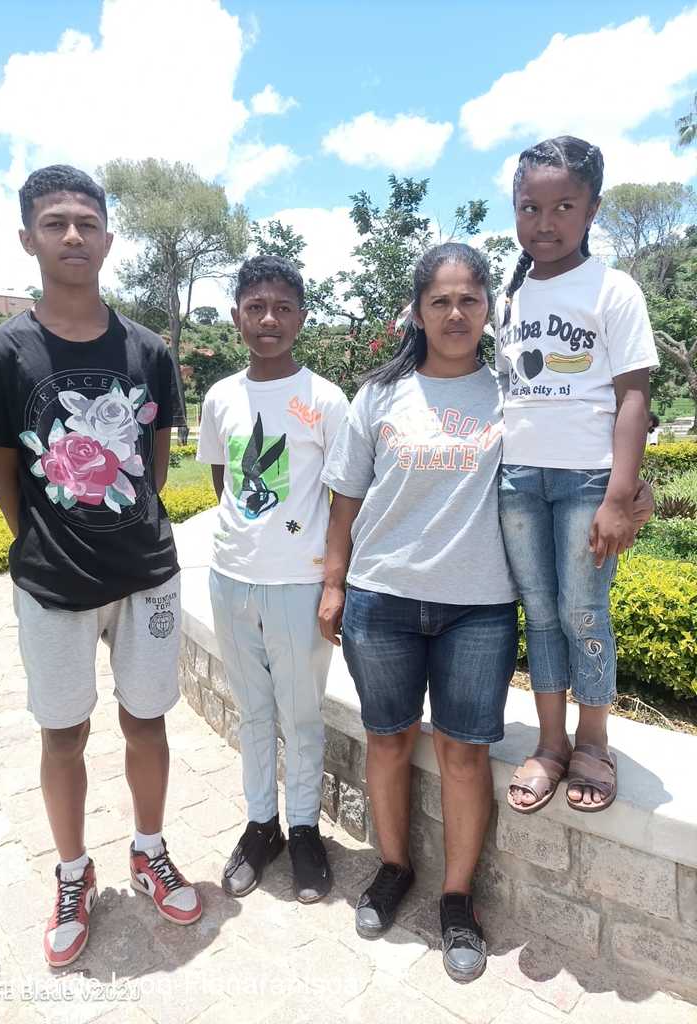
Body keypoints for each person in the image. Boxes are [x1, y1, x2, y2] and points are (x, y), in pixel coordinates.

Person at [0, 165, 201, 968]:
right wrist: (50, 544)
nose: (73, 235)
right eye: (55, 222)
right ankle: (73, 873)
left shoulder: (148, 349)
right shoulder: (0, 353)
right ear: (27, 238)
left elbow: (156, 468)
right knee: (62, 732)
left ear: (107, 239)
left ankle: (149, 848)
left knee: (147, 720)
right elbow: (6, 476)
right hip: (53, 582)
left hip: (146, 573)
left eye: (87, 222)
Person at [320, 243, 518, 982]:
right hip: (383, 600)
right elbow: (345, 499)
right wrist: (334, 584)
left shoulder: (513, 394)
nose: (456, 313)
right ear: (417, 311)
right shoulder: (380, 395)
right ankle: (394, 866)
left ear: (488, 308)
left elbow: (571, 462)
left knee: (466, 754)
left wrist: (631, 487)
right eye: (441, 300)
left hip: (480, 609)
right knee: (389, 739)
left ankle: (457, 898)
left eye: (470, 299)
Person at [495, 137, 659, 815]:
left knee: (583, 610)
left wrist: (620, 493)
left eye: (564, 205)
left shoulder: (613, 289)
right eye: (529, 207)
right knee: (539, 611)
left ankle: (594, 742)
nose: (545, 221)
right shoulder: (507, 294)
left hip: (587, 481)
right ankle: (551, 743)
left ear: (592, 209)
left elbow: (633, 396)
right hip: (517, 479)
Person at [197, 255, 349, 903]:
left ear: (301, 318)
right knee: (253, 711)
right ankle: (263, 826)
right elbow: (223, 482)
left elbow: (344, 501)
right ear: (237, 316)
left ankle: (305, 827)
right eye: (256, 307)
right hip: (230, 580)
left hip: (299, 587)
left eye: (283, 308)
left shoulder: (325, 400)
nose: (268, 319)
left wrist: (334, 583)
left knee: (301, 713)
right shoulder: (220, 398)